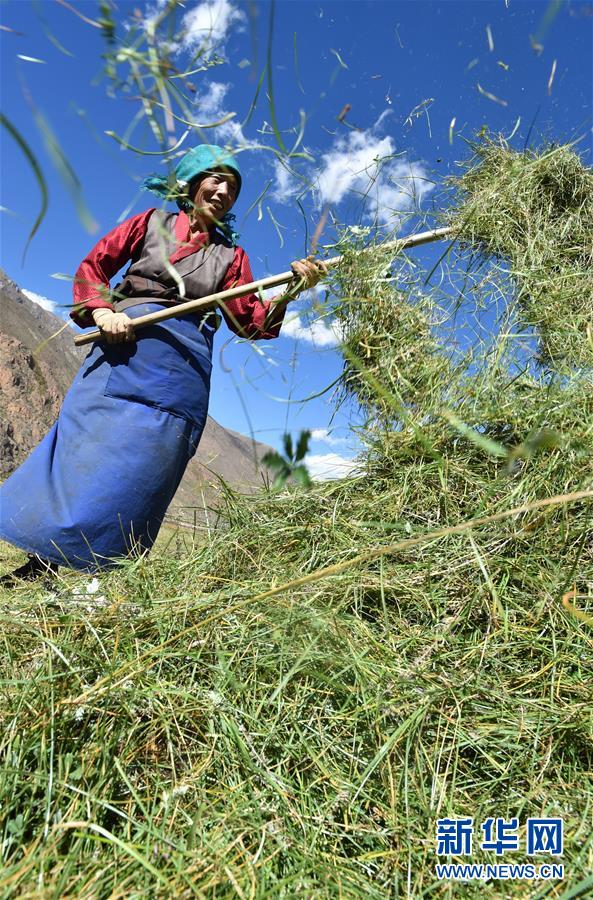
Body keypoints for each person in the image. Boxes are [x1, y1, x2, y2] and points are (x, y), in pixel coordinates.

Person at [0, 144, 326, 581]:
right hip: (122, 349)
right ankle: (42, 562)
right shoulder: (150, 224)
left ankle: (103, 575)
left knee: (145, 469)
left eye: (232, 187)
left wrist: (291, 290)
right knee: (84, 448)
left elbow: (251, 325)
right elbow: (92, 268)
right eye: (215, 179)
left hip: (180, 373)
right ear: (192, 184)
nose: (223, 191)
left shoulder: (233, 259)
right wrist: (102, 312)